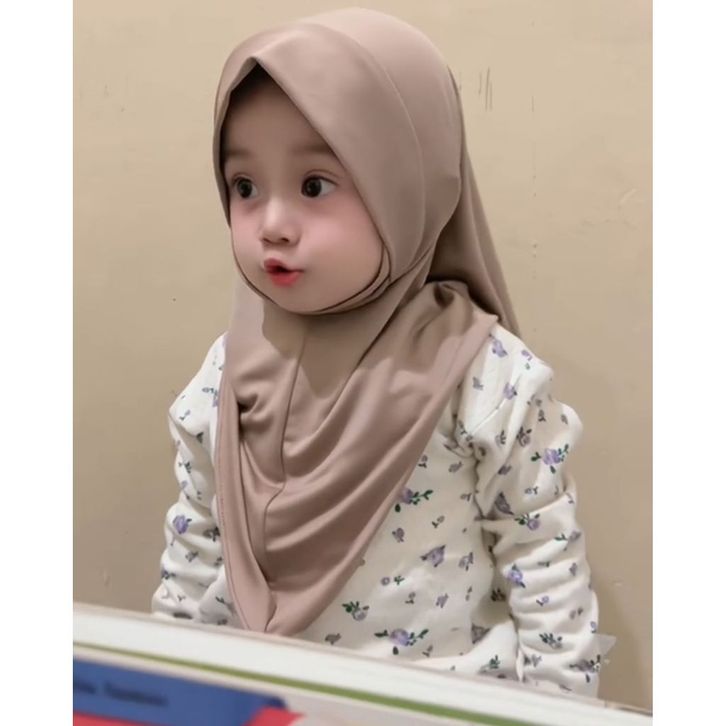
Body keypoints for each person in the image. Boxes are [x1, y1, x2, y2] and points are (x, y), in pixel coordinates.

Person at [152, 7, 609, 697]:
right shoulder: (229, 369)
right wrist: (166, 687)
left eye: (314, 185)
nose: (272, 224)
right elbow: (195, 556)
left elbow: (545, 562)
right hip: (267, 703)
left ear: (409, 182)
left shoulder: (483, 377)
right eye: (244, 187)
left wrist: (558, 709)